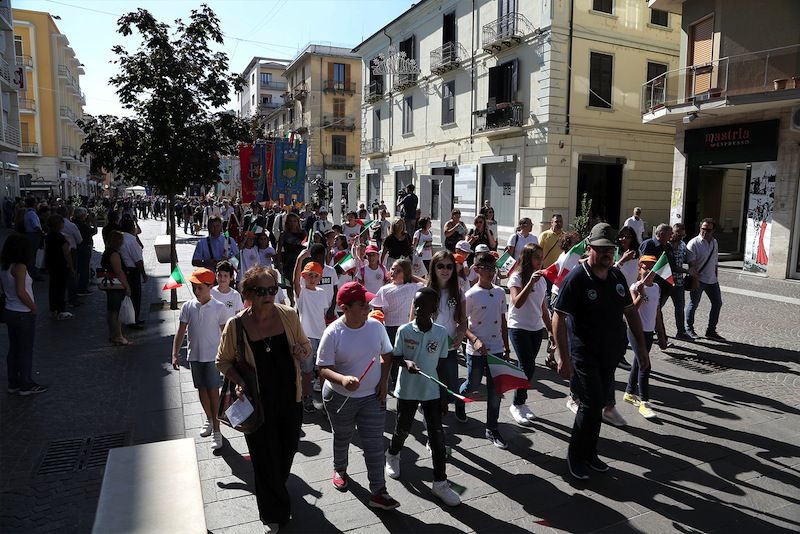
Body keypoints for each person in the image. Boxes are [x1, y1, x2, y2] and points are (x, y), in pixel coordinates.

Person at [216, 266, 311, 531]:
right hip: (257, 404)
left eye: (273, 289)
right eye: (261, 291)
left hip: (290, 398)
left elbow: (306, 346)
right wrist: (241, 380)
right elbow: (222, 362)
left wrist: (301, 351)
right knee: (264, 457)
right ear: (247, 293)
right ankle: (274, 513)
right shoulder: (236, 326)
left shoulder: (289, 315)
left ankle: (274, 490)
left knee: (288, 449)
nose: (269, 295)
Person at [552, 223, 650, 480]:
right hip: (584, 355)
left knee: (600, 405)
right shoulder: (577, 277)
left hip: (610, 354)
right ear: (590, 248)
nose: (608, 254)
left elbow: (630, 313)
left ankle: (590, 452)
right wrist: (562, 356)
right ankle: (576, 456)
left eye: (611, 249)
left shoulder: (617, 277)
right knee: (591, 404)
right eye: (602, 249)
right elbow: (558, 317)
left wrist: (642, 349)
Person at [317, 282, 400, 510]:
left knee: (374, 444)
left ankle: (378, 491)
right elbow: (322, 368)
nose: (368, 308)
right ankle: (340, 468)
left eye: (367, 303)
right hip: (339, 398)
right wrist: (342, 380)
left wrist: (383, 381)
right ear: (345, 308)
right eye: (362, 305)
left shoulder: (375, 326)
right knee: (342, 436)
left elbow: (387, 354)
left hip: (372, 397)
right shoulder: (333, 332)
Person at [384, 288, 462, 507]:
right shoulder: (404, 330)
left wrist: (445, 394)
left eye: (423, 305)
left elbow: (443, 365)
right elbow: (396, 357)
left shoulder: (440, 334)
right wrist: (405, 363)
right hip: (407, 391)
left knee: (437, 438)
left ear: (433, 309)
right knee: (403, 429)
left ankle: (440, 483)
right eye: (416, 304)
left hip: (431, 392)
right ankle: (392, 454)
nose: (418, 308)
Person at [457, 252, 510, 448]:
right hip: (476, 349)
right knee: (473, 384)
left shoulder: (499, 292)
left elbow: (503, 320)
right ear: (476, 270)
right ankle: (460, 400)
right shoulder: (470, 295)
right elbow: (462, 323)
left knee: (495, 390)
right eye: (486, 268)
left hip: (496, 348)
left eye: (492, 268)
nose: (490, 272)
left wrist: (507, 347)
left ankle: (492, 428)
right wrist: (474, 339)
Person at [172, 268, 229, 451]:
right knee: (201, 390)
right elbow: (181, 331)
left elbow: (226, 334)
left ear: (209, 287)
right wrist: (174, 353)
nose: (196, 291)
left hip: (213, 358)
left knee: (214, 393)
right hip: (194, 356)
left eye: (200, 288)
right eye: (194, 287)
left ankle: (218, 431)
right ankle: (210, 419)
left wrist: (230, 356)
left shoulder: (219, 307)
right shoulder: (188, 306)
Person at [507, 244, 553, 425]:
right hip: (518, 327)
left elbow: (543, 308)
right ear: (527, 259)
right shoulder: (516, 277)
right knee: (526, 366)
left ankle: (522, 402)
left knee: (528, 366)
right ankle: (516, 404)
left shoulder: (541, 280)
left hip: (535, 329)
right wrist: (530, 283)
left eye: (541, 257)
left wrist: (550, 330)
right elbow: (517, 303)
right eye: (536, 257)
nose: (540, 261)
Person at [422, 250, 467, 415]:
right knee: (432, 387)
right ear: (433, 268)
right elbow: (412, 320)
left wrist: (461, 333)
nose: (445, 270)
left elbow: (463, 320)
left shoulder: (458, 292)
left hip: (449, 348)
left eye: (449, 266)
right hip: (428, 348)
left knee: (450, 386)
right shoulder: (424, 292)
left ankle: (454, 404)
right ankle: (435, 423)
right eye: (440, 266)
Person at [1, 234, 46, 395]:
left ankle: (13, 382)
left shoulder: (5, 266)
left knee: (14, 348)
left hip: (10, 310)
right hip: (22, 312)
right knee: (25, 349)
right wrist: (33, 307)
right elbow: (21, 291)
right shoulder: (20, 267)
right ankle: (26, 383)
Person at [623, 255, 659, 420]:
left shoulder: (657, 287)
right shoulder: (634, 287)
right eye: (646, 267)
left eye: (652, 268)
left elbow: (657, 311)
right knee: (645, 365)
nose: (649, 271)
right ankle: (645, 403)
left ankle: (629, 393)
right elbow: (632, 311)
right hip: (636, 331)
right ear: (639, 269)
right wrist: (641, 294)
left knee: (638, 363)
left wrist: (663, 334)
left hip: (649, 331)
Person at [293, 252, 329, 414]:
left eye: (316, 276)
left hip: (322, 336)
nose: (313, 278)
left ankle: (325, 398)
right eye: (309, 275)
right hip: (306, 337)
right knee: (306, 371)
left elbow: (322, 314)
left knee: (322, 370)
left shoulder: (322, 292)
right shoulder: (302, 293)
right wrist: (300, 259)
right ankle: (306, 397)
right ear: (304, 276)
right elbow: (295, 282)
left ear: (320, 278)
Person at [685, 218, 725, 341]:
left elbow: (715, 261)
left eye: (708, 229)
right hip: (699, 279)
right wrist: (695, 279)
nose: (705, 231)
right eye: (703, 228)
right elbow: (691, 265)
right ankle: (689, 329)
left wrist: (716, 276)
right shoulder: (694, 243)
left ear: (713, 231)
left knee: (717, 303)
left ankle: (711, 330)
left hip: (712, 280)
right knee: (693, 304)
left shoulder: (714, 242)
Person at [639, 223, 676, 350]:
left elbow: (671, 265)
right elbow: (644, 264)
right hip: (651, 286)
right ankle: (661, 339)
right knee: (655, 311)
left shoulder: (669, 246)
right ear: (661, 234)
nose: (672, 236)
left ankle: (659, 338)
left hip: (665, 286)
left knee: (656, 311)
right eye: (670, 234)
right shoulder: (648, 244)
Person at [100, 231, 132, 346]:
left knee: (112, 310)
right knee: (116, 311)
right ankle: (118, 335)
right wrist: (127, 286)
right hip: (116, 286)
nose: (123, 242)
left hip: (111, 285)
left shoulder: (107, 252)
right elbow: (118, 271)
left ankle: (113, 334)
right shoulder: (113, 254)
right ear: (117, 241)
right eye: (121, 239)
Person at [119, 217, 147, 328]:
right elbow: (138, 260)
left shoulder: (122, 238)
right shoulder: (131, 240)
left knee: (131, 296)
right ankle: (134, 320)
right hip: (132, 270)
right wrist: (144, 274)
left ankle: (133, 319)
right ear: (132, 227)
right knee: (135, 296)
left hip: (127, 270)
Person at [44, 215, 72, 320]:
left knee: (53, 287)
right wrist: (71, 265)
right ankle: (60, 309)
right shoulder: (60, 237)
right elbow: (66, 253)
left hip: (51, 263)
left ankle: (53, 309)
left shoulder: (49, 235)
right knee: (60, 287)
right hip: (60, 264)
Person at [275, 213, 305, 305]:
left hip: (300, 262)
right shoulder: (284, 234)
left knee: (300, 283)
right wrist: (279, 263)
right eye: (290, 221)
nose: (293, 223)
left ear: (298, 222)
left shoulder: (303, 233)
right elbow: (279, 250)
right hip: (287, 262)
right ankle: (292, 303)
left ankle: (300, 302)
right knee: (288, 285)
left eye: (295, 221)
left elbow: (306, 247)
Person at [669, 223, 692, 341]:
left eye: (681, 234)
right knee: (657, 307)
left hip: (678, 283)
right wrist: (687, 271)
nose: (678, 235)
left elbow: (688, 259)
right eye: (676, 233)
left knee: (679, 307)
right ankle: (653, 329)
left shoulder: (683, 245)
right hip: (665, 282)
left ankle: (681, 332)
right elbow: (671, 266)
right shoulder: (667, 245)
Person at [73, 208, 97, 296]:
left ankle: (79, 286)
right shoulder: (82, 225)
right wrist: (94, 222)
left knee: (80, 268)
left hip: (77, 248)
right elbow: (94, 231)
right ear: (83, 215)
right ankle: (82, 288)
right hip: (84, 248)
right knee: (84, 268)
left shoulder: (74, 223)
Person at [22, 197, 43, 280]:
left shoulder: (27, 213)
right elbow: (36, 226)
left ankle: (32, 272)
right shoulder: (32, 214)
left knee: (32, 254)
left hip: (29, 234)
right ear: (34, 204)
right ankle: (33, 274)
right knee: (33, 254)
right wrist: (41, 232)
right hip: (33, 235)